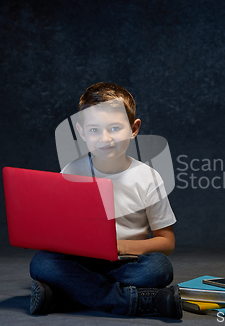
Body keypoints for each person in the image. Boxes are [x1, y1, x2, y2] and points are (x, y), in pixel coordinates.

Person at [28, 82, 182, 319]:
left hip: (127, 263)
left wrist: (122, 246)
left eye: (114, 128)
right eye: (94, 130)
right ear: (81, 132)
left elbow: (167, 241)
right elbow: (58, 227)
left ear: (134, 128)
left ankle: (65, 296)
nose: (105, 138)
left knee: (159, 269)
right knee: (42, 264)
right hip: (83, 261)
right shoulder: (71, 172)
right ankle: (139, 301)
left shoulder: (148, 177)